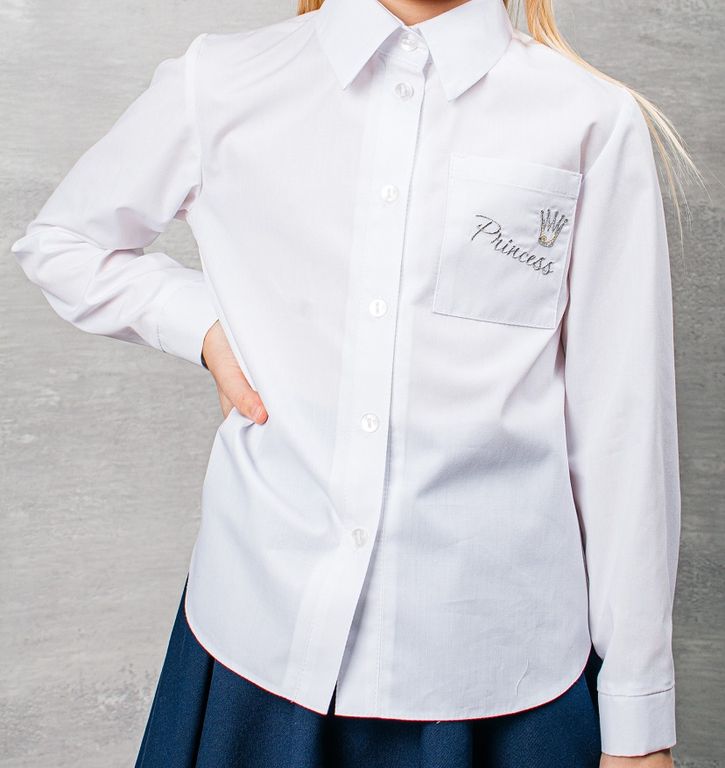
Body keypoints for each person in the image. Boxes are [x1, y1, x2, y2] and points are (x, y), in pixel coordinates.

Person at [10, 0, 703, 766]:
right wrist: (205, 326)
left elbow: (622, 433)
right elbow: (64, 242)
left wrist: (638, 718)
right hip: (255, 651)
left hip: (497, 681)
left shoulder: (588, 120)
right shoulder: (223, 80)